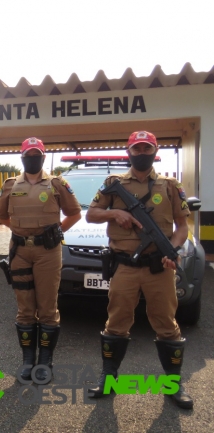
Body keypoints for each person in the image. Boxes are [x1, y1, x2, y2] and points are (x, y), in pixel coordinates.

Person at [86, 131, 193, 409]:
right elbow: (91, 214)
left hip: (160, 267)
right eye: (137, 148)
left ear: (155, 151)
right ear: (129, 152)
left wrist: (174, 250)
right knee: (116, 323)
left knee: (167, 324)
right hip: (125, 266)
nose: (142, 152)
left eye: (147, 148)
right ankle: (108, 380)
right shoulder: (114, 183)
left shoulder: (169, 185)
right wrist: (115, 213)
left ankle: (173, 385)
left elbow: (182, 227)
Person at [0, 137, 81, 382]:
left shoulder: (56, 183)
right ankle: (27, 361)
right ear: (22, 158)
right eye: (28, 154)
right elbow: (0, 215)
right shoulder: (10, 185)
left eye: (36, 154)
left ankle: (45, 362)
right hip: (20, 252)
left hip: (48, 253)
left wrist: (57, 232)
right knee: (24, 307)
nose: (32, 158)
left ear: (43, 157)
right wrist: (20, 231)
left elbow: (74, 213)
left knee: (47, 307)